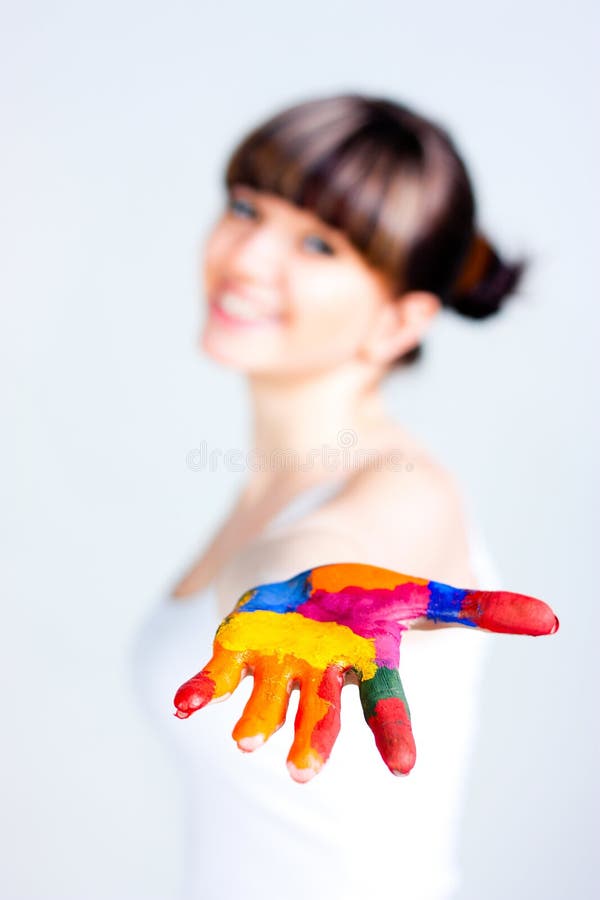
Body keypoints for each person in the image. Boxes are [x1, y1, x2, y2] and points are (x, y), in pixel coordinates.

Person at [130, 92, 530, 899]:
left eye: (318, 244)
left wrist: (306, 589)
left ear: (398, 321)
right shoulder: (278, 486)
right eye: (246, 207)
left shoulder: (407, 491)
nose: (245, 257)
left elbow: (325, 556)